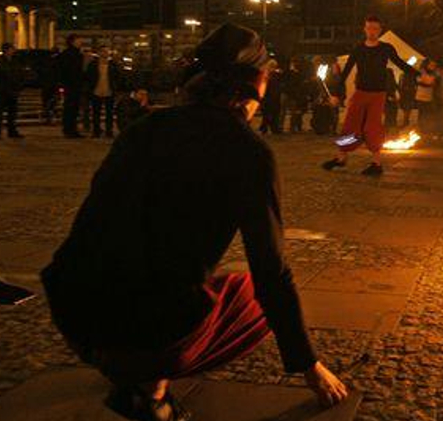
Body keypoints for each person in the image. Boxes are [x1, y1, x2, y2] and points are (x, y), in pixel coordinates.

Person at [41, 25, 348, 421]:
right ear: (256, 82)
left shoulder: (143, 130)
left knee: (150, 282)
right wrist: (310, 366)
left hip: (76, 311)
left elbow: (95, 219)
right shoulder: (248, 152)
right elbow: (271, 270)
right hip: (152, 333)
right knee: (249, 291)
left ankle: (124, 368)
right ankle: (152, 393)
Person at [322, 16, 417, 176]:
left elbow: (400, 63)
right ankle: (341, 157)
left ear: (380, 30)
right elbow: (345, 72)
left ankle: (376, 163)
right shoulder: (358, 49)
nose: (372, 32)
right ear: (364, 29)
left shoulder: (386, 48)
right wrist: (337, 94)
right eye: (369, 28)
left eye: (375, 29)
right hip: (360, 92)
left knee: (372, 127)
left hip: (377, 94)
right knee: (349, 125)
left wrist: (418, 74)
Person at [0, 43, 24, 140]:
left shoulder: (14, 61)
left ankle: (12, 131)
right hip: (2, 91)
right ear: (6, 50)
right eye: (12, 49)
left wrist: (19, 85)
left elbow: (19, 73)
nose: (13, 51)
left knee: (12, 113)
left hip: (13, 90)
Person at [86, 45, 122, 138]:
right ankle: (96, 131)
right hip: (96, 90)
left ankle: (108, 131)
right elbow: (88, 77)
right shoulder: (93, 64)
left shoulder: (113, 65)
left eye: (106, 51)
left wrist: (116, 87)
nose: (105, 53)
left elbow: (118, 77)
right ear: (99, 53)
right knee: (95, 113)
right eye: (103, 51)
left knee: (109, 113)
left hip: (109, 91)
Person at [58, 34, 86, 138]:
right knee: (70, 108)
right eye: (79, 40)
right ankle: (69, 129)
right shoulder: (70, 54)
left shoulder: (76, 54)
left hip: (73, 84)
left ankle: (71, 129)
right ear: (73, 41)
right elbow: (68, 70)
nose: (81, 42)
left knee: (73, 108)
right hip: (71, 84)